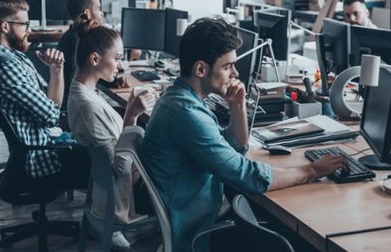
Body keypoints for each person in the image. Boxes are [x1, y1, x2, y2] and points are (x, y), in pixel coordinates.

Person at [142, 18, 348, 252]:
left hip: (201, 215)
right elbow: (246, 175)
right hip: (198, 232)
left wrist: (237, 106)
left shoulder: (180, 99)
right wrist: (312, 171)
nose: (236, 72)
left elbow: (235, 149)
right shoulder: (187, 114)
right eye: (227, 66)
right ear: (201, 69)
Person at [0, 0, 89, 188]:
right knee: (105, 154)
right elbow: (52, 116)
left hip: (43, 143)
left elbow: (50, 102)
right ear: (5, 27)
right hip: (44, 158)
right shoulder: (6, 66)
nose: (29, 30)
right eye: (25, 24)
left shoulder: (10, 56)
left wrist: (56, 69)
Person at [67, 16, 158, 250]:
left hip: (126, 177)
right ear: (95, 59)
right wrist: (132, 114)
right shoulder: (88, 107)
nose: (121, 66)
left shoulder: (85, 91)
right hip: (130, 187)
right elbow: (120, 168)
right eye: (117, 58)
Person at [57, 0, 105, 112]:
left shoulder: (70, 35)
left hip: (74, 99)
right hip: (76, 104)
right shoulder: (84, 40)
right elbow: (105, 78)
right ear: (87, 13)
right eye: (98, 8)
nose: (102, 13)